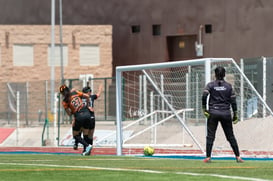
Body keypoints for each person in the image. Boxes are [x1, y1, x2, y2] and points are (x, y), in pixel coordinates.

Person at [202, 66, 243, 163]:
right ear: (224, 75)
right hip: (226, 113)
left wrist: (204, 108)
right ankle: (238, 157)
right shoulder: (229, 86)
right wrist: (235, 113)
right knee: (230, 136)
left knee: (210, 136)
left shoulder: (210, 85)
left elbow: (204, 96)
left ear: (215, 74)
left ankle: (208, 157)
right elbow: (233, 101)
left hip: (213, 113)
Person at [59, 84, 93, 156]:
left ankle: (87, 146)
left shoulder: (65, 101)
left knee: (76, 135)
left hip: (79, 115)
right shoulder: (75, 92)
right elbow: (87, 96)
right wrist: (87, 105)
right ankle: (85, 151)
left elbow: (69, 114)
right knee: (85, 134)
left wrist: (72, 111)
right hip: (87, 113)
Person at [73, 84, 103, 154]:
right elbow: (98, 95)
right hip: (91, 116)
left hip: (81, 116)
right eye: (90, 91)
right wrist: (100, 88)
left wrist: (75, 90)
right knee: (90, 134)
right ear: (89, 92)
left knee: (81, 132)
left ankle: (80, 145)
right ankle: (88, 150)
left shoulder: (79, 98)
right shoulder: (91, 97)